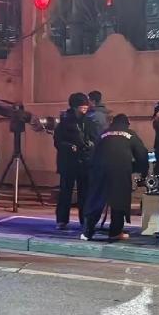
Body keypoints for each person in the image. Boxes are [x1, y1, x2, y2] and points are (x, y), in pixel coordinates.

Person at [82, 114, 149, 241]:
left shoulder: (103, 134)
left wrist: (92, 171)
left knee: (96, 199)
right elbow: (142, 154)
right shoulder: (130, 134)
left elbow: (92, 153)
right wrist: (142, 171)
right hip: (120, 170)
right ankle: (115, 232)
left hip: (100, 170)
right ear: (127, 123)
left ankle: (87, 232)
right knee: (119, 201)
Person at [54, 92, 93, 229]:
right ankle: (62, 220)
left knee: (85, 192)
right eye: (82, 107)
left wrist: (91, 145)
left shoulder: (88, 122)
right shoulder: (64, 122)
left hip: (84, 160)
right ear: (75, 107)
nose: (85, 109)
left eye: (86, 107)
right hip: (68, 161)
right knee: (66, 191)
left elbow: (94, 138)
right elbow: (58, 142)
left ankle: (85, 219)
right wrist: (69, 147)